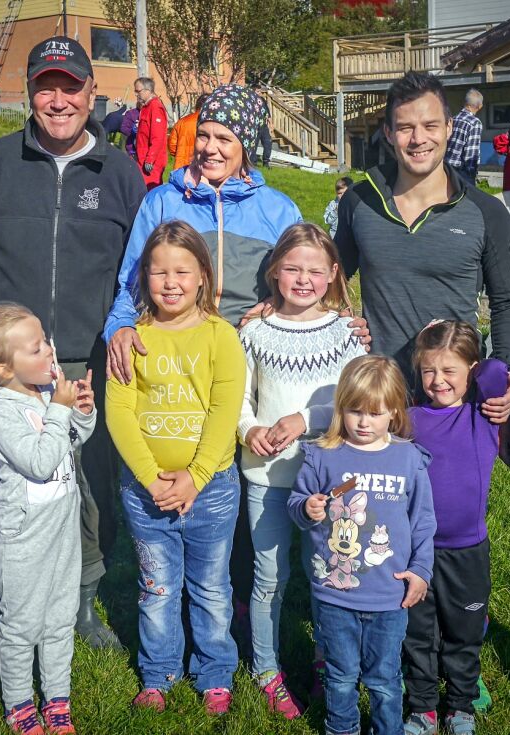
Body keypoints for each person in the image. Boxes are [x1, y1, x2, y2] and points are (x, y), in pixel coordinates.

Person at [0, 35, 146, 692]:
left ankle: (80, 598)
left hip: (86, 360)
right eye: (45, 86)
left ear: (92, 94)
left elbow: (136, 268)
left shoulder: (120, 173)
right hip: (8, 363)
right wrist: (3, 333)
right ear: (29, 93)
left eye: (70, 86)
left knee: (88, 491)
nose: (57, 99)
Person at [103, 83, 304, 652]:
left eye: (226, 138)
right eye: (204, 136)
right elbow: (129, 285)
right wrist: (118, 328)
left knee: (244, 484)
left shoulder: (277, 209)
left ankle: (240, 602)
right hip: (175, 365)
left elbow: (305, 277)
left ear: (250, 145)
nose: (211, 148)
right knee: (208, 472)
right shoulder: (162, 204)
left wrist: (331, 317)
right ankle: (195, 611)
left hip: (254, 364)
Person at [106, 221, 246, 715]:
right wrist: (151, 478)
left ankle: (214, 673)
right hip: (146, 492)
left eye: (182, 271)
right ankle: (158, 672)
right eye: (158, 271)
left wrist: (195, 476)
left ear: (203, 276)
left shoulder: (221, 337)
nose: (170, 282)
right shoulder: (131, 340)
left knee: (211, 587)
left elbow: (224, 412)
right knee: (156, 587)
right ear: (143, 277)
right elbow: (119, 413)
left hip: (212, 490)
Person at [0, 303, 96, 734]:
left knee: (60, 619)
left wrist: (81, 411)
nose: (50, 352)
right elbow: (41, 462)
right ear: (6, 369)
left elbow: (72, 439)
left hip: (60, 534)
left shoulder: (45, 391)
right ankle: (20, 704)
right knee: (22, 625)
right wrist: (61, 410)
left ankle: (57, 699)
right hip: (23, 539)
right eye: (36, 348)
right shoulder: (0, 409)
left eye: (46, 340)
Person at [238, 223, 366, 718]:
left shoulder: (345, 334)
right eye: (292, 268)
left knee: (330, 575)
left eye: (315, 270)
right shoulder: (254, 330)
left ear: (334, 273)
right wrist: (249, 431)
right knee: (270, 575)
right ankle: (267, 669)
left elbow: (357, 402)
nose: (303, 279)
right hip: (266, 476)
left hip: (331, 481)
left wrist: (303, 420)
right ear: (274, 272)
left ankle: (325, 660)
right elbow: (238, 400)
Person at [335, 72, 510, 408]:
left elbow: (505, 303)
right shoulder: (360, 202)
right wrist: (339, 319)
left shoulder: (486, 212)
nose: (418, 139)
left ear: (449, 127)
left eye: (430, 125)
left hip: (452, 401)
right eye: (405, 128)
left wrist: (504, 373)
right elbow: (331, 280)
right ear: (389, 133)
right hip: (379, 397)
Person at [288, 354, 436, 735]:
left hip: (390, 595)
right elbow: (297, 506)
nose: (364, 422)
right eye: (355, 411)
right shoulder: (323, 454)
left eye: (375, 413)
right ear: (341, 409)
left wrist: (421, 571)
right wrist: (308, 508)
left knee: (385, 678)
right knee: (339, 675)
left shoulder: (407, 458)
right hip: (335, 595)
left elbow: (422, 521)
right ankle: (342, 728)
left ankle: (388, 729)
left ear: (394, 413)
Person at [402, 320, 508, 735]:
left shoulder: (482, 417)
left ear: (470, 370)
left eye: (451, 371)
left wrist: (455, 340)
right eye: (429, 370)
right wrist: (444, 353)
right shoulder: (408, 419)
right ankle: (423, 707)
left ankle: (460, 705)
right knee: (419, 634)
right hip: (417, 551)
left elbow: (497, 371)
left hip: (467, 550)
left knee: (464, 633)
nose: (438, 380)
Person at [134, 77, 168, 189]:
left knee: (150, 191)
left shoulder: (155, 107)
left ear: (148, 90)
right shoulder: (146, 107)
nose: (136, 94)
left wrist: (150, 159)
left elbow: (158, 137)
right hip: (143, 158)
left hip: (152, 162)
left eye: (138, 91)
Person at [445, 89, 483, 183]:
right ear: (480, 106)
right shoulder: (474, 123)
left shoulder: (453, 119)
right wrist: (471, 174)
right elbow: (471, 154)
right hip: (461, 172)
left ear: (465, 103)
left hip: (446, 168)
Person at [167, 94, 208, 171]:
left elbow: (172, 146)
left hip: (180, 167)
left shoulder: (181, 122)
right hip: (201, 166)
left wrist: (181, 154)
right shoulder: (210, 123)